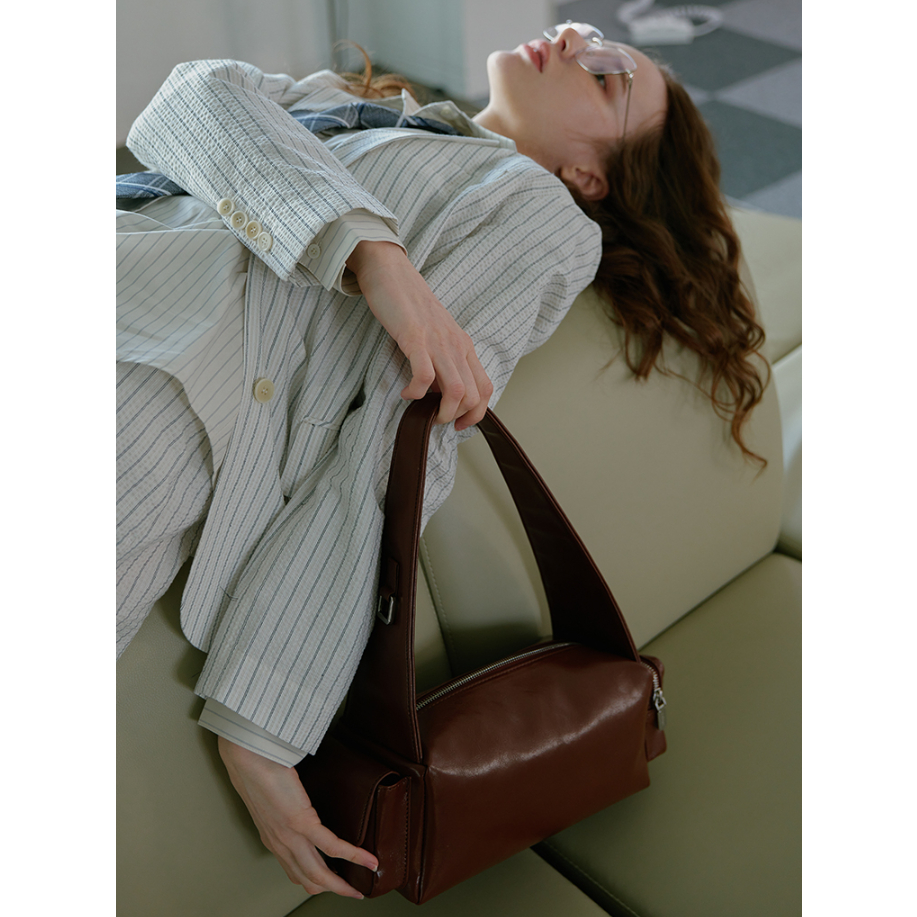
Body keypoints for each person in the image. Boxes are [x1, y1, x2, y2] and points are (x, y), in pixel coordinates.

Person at [117, 22, 767, 901]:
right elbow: (187, 102)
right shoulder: (372, 105)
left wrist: (259, 725)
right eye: (593, 37)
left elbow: (397, 446)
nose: (577, 38)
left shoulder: (536, 215)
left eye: (608, 77)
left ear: (589, 176)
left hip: (142, 402)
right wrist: (373, 256)